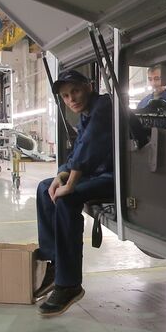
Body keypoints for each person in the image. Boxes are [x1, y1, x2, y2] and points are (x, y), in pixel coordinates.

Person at [34, 69, 114, 317]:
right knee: (44, 188)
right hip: (94, 174)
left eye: (75, 91)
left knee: (66, 198)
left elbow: (89, 145)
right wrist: (61, 174)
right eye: (66, 96)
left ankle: (69, 284)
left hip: (115, 177)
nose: (72, 99)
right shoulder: (85, 115)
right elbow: (77, 150)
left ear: (89, 86)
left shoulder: (104, 105)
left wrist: (71, 182)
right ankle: (55, 262)